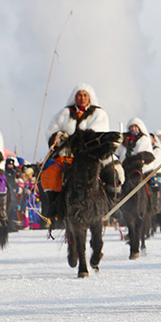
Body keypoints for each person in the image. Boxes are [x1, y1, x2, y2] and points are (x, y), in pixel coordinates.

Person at [42, 84, 111, 221]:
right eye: (79, 95)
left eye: (85, 95)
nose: (82, 98)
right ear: (74, 97)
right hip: (68, 155)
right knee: (51, 172)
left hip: (91, 155)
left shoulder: (99, 114)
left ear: (90, 97)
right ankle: (53, 204)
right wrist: (58, 136)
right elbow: (52, 131)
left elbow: (99, 134)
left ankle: (111, 204)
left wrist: (79, 139)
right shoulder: (64, 114)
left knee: (115, 173)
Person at [118, 118, 156, 191]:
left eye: (135, 127)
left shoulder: (144, 139)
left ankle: (153, 200)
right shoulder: (124, 139)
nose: (133, 129)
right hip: (125, 167)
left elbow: (148, 155)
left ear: (139, 127)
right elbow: (119, 152)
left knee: (153, 185)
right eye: (132, 127)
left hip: (141, 168)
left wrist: (139, 158)